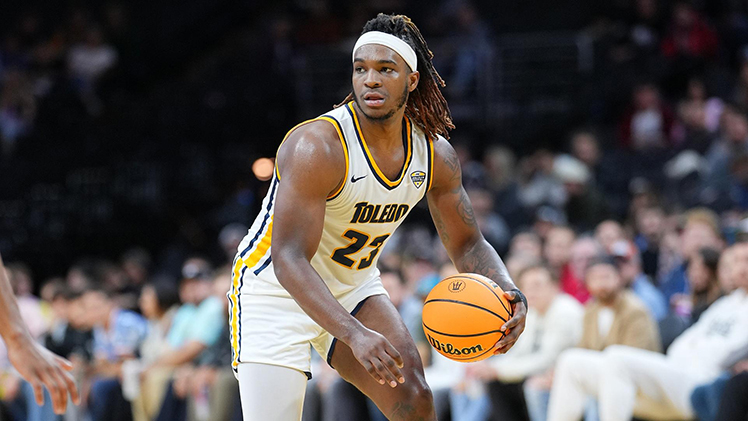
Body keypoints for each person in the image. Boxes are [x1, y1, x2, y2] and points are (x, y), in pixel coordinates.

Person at [228, 13, 527, 421]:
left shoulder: (434, 155)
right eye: (360, 69)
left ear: (412, 80)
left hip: (352, 286)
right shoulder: (317, 146)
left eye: (386, 69)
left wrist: (509, 293)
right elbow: (288, 258)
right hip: (275, 291)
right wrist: (352, 334)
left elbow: (468, 242)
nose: (370, 79)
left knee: (414, 397)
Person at [548, 244, 748, 421]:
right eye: (736, 261)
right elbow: (685, 342)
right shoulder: (726, 303)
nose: (739, 268)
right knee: (570, 360)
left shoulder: (635, 308)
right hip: (671, 371)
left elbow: (729, 355)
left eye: (744, 260)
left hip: (701, 381)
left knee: (616, 356)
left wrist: (701, 354)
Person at [466, 264, 583, 421]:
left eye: (537, 285)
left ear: (555, 286)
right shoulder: (533, 312)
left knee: (528, 386)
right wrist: (490, 367)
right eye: (526, 286)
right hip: (540, 373)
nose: (531, 292)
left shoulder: (566, 311)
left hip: (563, 377)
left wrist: (498, 371)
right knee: (492, 380)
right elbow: (519, 352)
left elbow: (546, 360)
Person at [0, 253, 80, 415]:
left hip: (16, 371)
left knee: (43, 381)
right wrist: (18, 341)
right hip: (9, 371)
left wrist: (18, 343)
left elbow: (37, 343)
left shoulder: (31, 306)